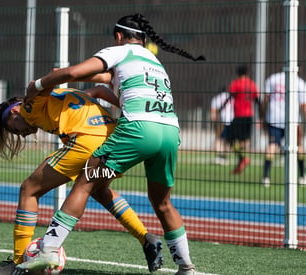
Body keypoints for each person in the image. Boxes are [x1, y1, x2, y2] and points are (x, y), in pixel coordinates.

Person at [15, 13, 205, 275]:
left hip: (138, 130)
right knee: (162, 203)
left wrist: (37, 85)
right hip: (170, 132)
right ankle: (187, 268)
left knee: (85, 182)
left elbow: (71, 72)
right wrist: (84, 88)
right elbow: (106, 83)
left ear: (118, 36)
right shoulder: (154, 61)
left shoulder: (118, 51)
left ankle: (47, 250)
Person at [0, 86, 163, 274]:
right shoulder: (66, 94)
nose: (22, 134)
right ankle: (145, 237)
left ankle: (18, 262)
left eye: (15, 130)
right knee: (99, 191)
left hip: (87, 139)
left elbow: (39, 88)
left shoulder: (28, 106)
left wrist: (46, 80)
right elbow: (99, 89)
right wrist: (125, 107)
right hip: (114, 139)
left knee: (29, 189)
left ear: (14, 112)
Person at [260, 71, 306, 187]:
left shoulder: (273, 78)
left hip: (274, 118)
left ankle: (266, 177)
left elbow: (266, 99)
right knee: (299, 146)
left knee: (272, 146)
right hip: (293, 119)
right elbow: (303, 105)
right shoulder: (299, 82)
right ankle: (302, 176)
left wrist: (262, 116)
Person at [227, 64, 260, 174]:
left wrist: (220, 108)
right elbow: (257, 101)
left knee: (229, 138)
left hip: (239, 115)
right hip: (249, 116)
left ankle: (242, 158)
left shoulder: (236, 84)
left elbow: (229, 97)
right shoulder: (252, 84)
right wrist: (261, 117)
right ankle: (241, 161)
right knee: (242, 140)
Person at [210, 86, 234, 165]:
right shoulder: (231, 97)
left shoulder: (216, 98)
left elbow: (213, 114)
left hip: (222, 122)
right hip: (232, 121)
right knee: (228, 141)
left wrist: (214, 123)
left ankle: (219, 157)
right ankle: (225, 157)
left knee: (218, 139)